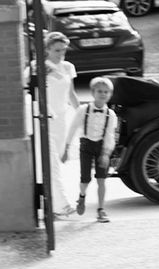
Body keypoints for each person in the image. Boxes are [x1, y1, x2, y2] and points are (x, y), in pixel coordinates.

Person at [25, 31, 80, 218]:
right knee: (52, 163)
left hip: (62, 121)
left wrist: (81, 115)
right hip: (45, 119)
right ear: (47, 49)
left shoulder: (68, 67)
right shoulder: (37, 66)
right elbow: (27, 90)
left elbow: (71, 94)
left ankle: (51, 204)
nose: (61, 54)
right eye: (57, 50)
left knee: (56, 162)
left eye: (64, 50)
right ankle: (62, 204)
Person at [61, 77, 117, 223]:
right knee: (85, 179)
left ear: (110, 94)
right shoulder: (83, 110)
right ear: (93, 93)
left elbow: (110, 135)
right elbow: (72, 129)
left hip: (101, 147)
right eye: (99, 91)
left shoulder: (110, 115)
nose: (103, 94)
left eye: (106, 92)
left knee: (101, 180)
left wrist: (106, 153)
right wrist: (66, 148)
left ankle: (101, 209)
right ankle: (82, 195)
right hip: (86, 145)